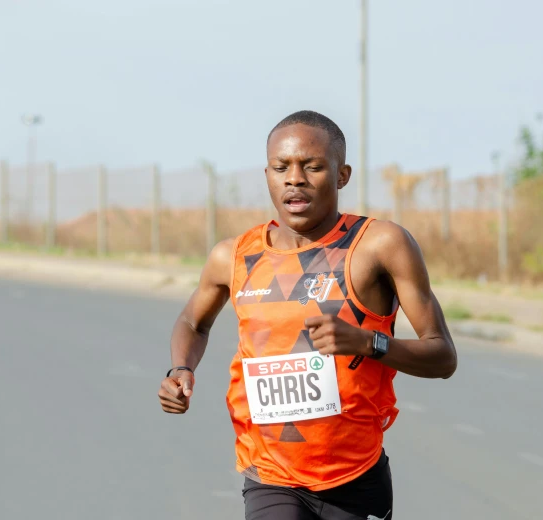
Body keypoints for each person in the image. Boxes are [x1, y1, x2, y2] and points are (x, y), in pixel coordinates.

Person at [157, 110, 457, 520]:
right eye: (281, 167)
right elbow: (193, 322)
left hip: (354, 477)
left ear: (342, 174)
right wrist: (181, 368)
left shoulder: (379, 245)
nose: (294, 179)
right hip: (270, 475)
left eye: (312, 166)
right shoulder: (234, 255)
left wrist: (368, 342)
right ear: (267, 174)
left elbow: (443, 356)